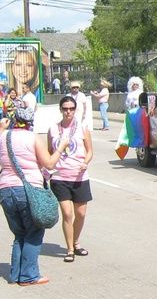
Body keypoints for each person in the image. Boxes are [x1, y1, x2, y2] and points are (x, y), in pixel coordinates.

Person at [0, 107, 69, 285]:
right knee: (34, 231)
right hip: (28, 188)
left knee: (19, 233)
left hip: (6, 189)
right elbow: (49, 163)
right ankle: (29, 275)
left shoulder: (3, 136)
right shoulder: (33, 138)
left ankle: (15, 274)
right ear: (31, 122)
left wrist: (2, 128)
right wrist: (60, 147)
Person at [48, 96, 94, 263]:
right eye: (65, 108)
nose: (68, 112)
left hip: (79, 177)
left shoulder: (82, 128)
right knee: (67, 214)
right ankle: (69, 249)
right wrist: (48, 170)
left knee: (80, 214)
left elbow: (89, 151)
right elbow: (49, 152)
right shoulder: (53, 129)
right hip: (60, 177)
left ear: (75, 110)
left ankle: (75, 242)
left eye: (71, 109)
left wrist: (85, 162)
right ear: (61, 109)